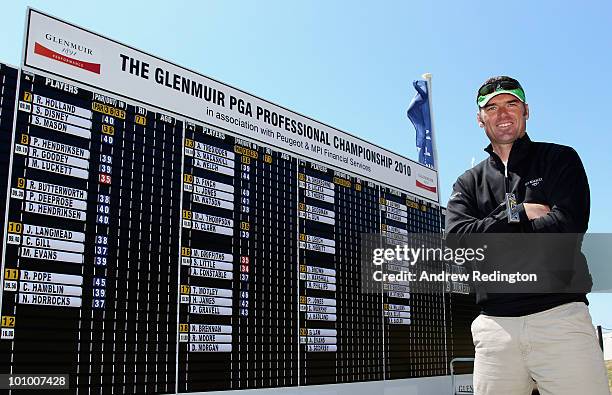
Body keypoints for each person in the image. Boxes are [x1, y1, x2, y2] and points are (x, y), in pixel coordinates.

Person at [445, 76, 610, 395]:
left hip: (560, 319)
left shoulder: (560, 159)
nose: (502, 113)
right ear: (480, 119)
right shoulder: (468, 183)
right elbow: (457, 244)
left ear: (526, 110)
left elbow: (567, 229)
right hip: (495, 329)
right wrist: (518, 214)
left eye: (511, 104)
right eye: (491, 107)